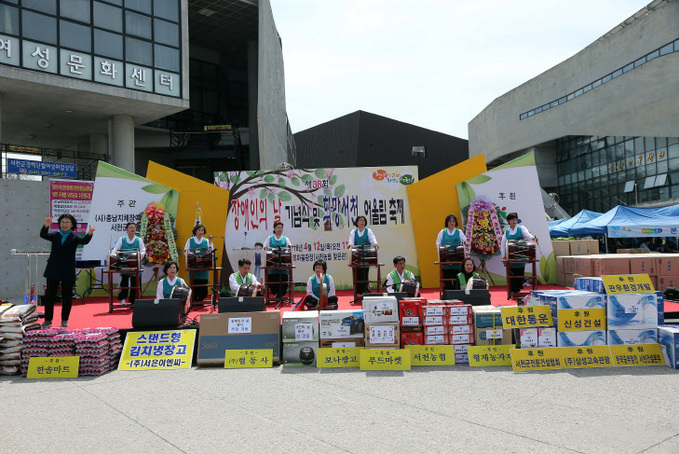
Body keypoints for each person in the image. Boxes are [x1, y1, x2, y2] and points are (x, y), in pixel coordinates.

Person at [40, 214, 95, 328]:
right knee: (50, 296)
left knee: (67, 296)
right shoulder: (55, 235)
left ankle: (64, 319)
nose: (64, 224)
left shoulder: (75, 238)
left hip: (67, 270)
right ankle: (48, 319)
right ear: (59, 224)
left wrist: (90, 232)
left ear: (72, 225)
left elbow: (85, 241)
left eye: (67, 222)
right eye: (62, 222)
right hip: (53, 268)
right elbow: (43, 235)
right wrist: (46, 225)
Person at [500, 212, 538, 296]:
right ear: (508, 221)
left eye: (515, 219)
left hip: (520, 255)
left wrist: (532, 238)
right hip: (510, 256)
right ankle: (513, 290)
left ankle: (517, 290)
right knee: (511, 274)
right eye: (512, 219)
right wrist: (503, 256)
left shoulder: (521, 228)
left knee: (519, 273)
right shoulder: (507, 232)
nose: (514, 221)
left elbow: (528, 235)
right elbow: (503, 244)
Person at [112, 222, 146, 306]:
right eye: (130, 227)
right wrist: (113, 255)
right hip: (124, 265)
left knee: (135, 284)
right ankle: (123, 299)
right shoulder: (122, 239)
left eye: (134, 227)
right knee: (124, 283)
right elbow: (115, 249)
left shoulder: (139, 240)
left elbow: (143, 251)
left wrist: (137, 258)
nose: (132, 229)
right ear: (126, 229)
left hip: (135, 265)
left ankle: (134, 302)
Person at [436, 214, 467, 290]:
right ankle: (448, 295)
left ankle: (458, 295)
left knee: (457, 280)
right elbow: (438, 243)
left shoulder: (459, 231)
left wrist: (463, 242)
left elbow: (464, 242)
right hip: (446, 261)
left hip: (457, 261)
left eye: (453, 221)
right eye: (450, 221)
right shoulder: (442, 232)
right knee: (447, 281)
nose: (452, 223)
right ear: (447, 223)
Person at [349, 215, 379, 295]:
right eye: (360, 220)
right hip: (357, 256)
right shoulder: (353, 232)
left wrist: (375, 244)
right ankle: (358, 291)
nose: (362, 222)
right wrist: (350, 245)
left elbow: (372, 239)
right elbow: (351, 241)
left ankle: (365, 290)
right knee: (357, 274)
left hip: (366, 255)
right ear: (357, 222)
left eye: (363, 220)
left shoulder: (368, 231)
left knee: (365, 273)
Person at [184, 223, 213, 303]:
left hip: (203, 267)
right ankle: (194, 302)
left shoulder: (206, 241)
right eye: (199, 230)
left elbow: (210, 252)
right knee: (194, 286)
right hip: (194, 267)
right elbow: (185, 252)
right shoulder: (190, 240)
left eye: (202, 230)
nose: (200, 232)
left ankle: (201, 301)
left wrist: (210, 243)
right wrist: (194, 258)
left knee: (203, 288)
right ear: (195, 231)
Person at [263, 222, 292, 299]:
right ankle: (275, 294)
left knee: (283, 281)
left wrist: (284, 254)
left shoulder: (285, 239)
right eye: (278, 228)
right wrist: (271, 253)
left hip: (283, 264)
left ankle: (281, 295)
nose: (280, 229)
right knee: (273, 281)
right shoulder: (270, 238)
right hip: (272, 264)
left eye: (281, 228)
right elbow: (265, 248)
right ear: (274, 229)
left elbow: (288, 250)